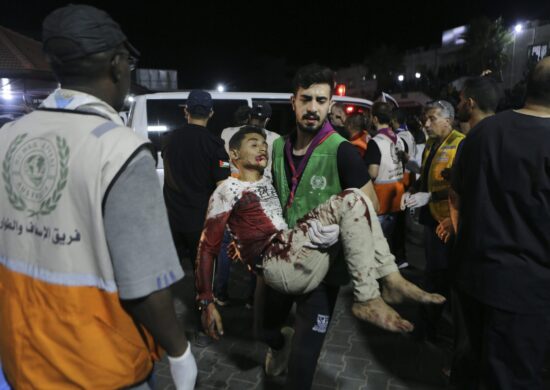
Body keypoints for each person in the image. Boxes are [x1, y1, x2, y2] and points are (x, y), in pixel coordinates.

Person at [0, 5, 196, 389]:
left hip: (20, 356)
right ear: (118, 64)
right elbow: (145, 287)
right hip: (95, 365)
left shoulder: (8, 136)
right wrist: (180, 352)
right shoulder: (120, 150)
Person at [195, 126, 444, 339]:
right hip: (275, 262)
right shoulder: (228, 188)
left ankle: (389, 277)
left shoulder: (267, 182)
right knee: (349, 199)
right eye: (253, 144)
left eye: (263, 144)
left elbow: (263, 222)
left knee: (357, 199)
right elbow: (207, 246)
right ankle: (368, 296)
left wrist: (242, 241)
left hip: (290, 253)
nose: (262, 148)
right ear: (234, 154)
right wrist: (206, 300)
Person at [260, 64, 382, 389]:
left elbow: (372, 206)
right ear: (293, 101)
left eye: (320, 100)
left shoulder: (342, 151)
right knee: (264, 329)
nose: (313, 108)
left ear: (330, 105)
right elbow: (273, 193)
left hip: (323, 273)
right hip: (283, 258)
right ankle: (278, 343)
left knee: (301, 370)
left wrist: (341, 231)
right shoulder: (277, 148)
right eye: (306, 99)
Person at [449, 61, 550, 389]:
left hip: (473, 279)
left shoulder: (482, 133)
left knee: (467, 368)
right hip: (527, 294)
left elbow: (456, 197)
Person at [402, 100, 465, 342]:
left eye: (431, 119)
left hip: (448, 219)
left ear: (448, 120)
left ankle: (427, 327)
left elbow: (460, 185)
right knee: (433, 269)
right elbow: (426, 173)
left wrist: (431, 195)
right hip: (431, 216)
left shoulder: (460, 144)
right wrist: (415, 189)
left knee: (438, 274)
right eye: (424, 119)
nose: (425, 124)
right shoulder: (430, 142)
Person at [216, 102, 280, 307]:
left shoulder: (227, 133)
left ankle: (220, 294)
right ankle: (252, 298)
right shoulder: (274, 139)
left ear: (249, 116)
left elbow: (221, 162)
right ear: (267, 120)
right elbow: (277, 170)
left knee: (225, 245)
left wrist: (227, 174)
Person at [364, 102, 406, 259]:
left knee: (377, 244)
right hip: (397, 196)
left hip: (381, 199)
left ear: (374, 119)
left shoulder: (376, 142)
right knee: (389, 241)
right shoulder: (398, 139)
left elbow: (373, 172)